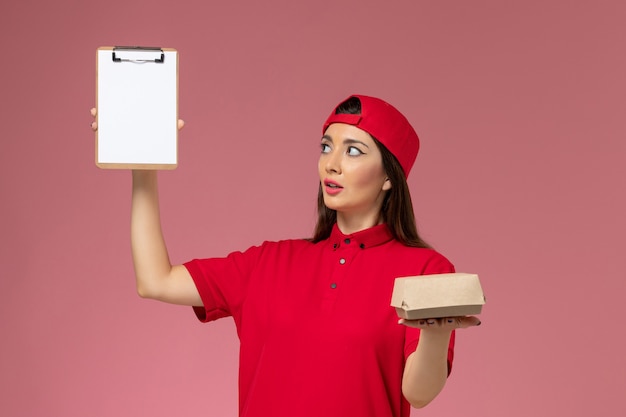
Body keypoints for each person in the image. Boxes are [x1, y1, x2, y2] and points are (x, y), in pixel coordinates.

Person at [91, 95, 480, 417]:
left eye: (354, 151)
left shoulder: (426, 271)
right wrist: (143, 167)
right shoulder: (269, 262)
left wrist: (435, 329)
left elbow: (418, 393)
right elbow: (155, 280)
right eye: (326, 147)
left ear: (389, 176)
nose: (332, 162)